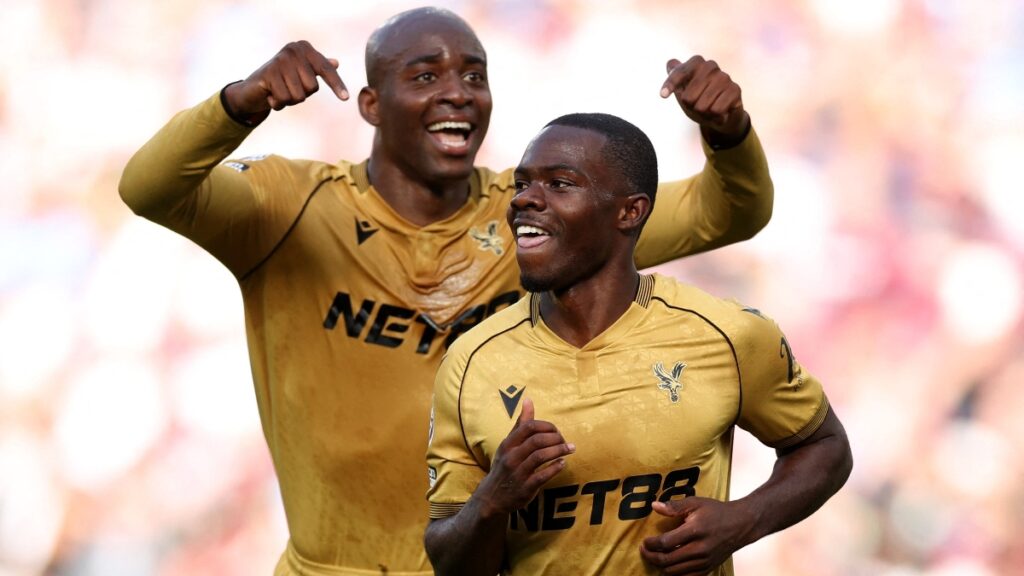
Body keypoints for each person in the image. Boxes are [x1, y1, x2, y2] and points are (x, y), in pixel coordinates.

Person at [119, 6, 775, 576]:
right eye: (426, 75)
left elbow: (729, 211)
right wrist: (239, 104)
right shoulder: (289, 206)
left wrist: (727, 130)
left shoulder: (540, 221)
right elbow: (148, 188)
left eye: (474, 75)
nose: (458, 92)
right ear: (371, 105)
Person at [423, 113, 852, 575]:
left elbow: (826, 447)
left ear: (630, 211)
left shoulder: (724, 334)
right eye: (523, 183)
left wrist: (745, 519)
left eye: (560, 184)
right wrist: (491, 500)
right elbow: (452, 563)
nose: (525, 198)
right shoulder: (472, 360)